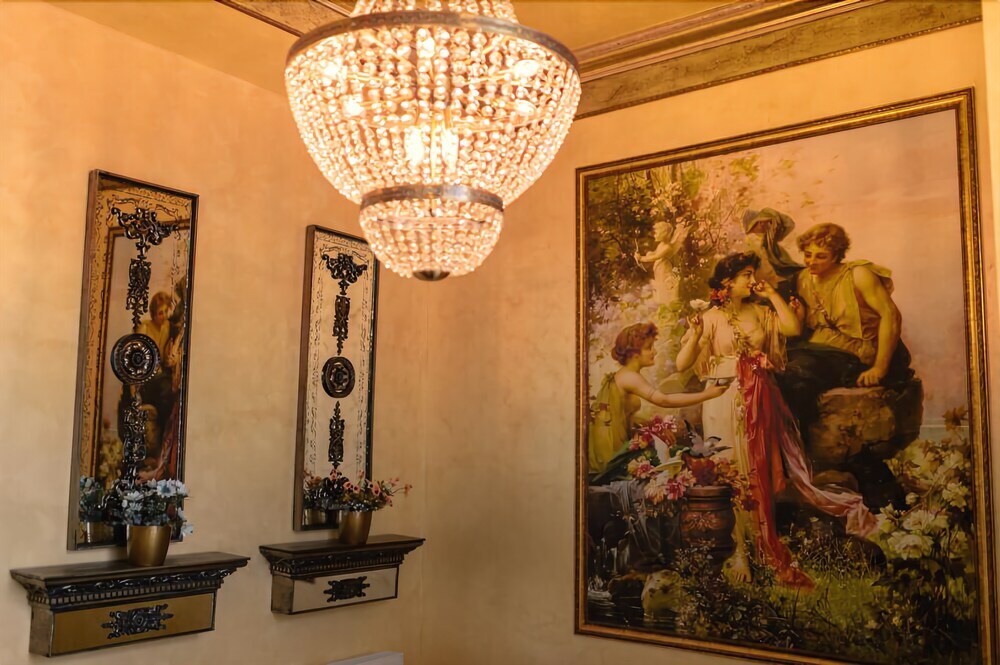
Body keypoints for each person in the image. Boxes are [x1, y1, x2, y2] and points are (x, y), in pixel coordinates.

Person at [676, 252, 876, 588]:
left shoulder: (759, 311)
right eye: (746, 275)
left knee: (757, 468)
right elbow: (683, 364)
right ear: (727, 281)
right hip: (722, 398)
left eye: (753, 274)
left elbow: (792, 328)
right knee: (730, 467)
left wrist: (771, 294)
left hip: (758, 395)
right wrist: (696, 335)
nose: (752, 280)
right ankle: (738, 551)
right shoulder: (709, 318)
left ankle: (759, 541)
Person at [778, 223, 912, 432]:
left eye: (821, 256)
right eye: (808, 255)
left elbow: (891, 316)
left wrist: (880, 367)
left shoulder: (857, 275)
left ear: (836, 256)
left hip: (856, 354)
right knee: (777, 366)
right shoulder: (802, 279)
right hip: (818, 349)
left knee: (797, 374)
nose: (811, 261)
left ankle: (799, 436)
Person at [588, 322, 726, 477]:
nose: (654, 352)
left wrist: (652, 427)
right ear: (634, 353)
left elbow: (623, 417)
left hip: (614, 443)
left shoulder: (625, 375)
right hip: (609, 452)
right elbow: (664, 400)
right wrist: (708, 394)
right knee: (675, 460)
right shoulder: (629, 377)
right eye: (649, 348)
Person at [634, 221, 689, 305]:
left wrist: (641, 258)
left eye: (656, 233)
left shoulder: (667, 247)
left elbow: (656, 257)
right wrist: (649, 253)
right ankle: (662, 301)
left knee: (664, 284)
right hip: (659, 268)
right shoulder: (661, 244)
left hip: (664, 268)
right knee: (660, 284)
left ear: (663, 234)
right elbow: (655, 253)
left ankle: (668, 302)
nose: (654, 235)